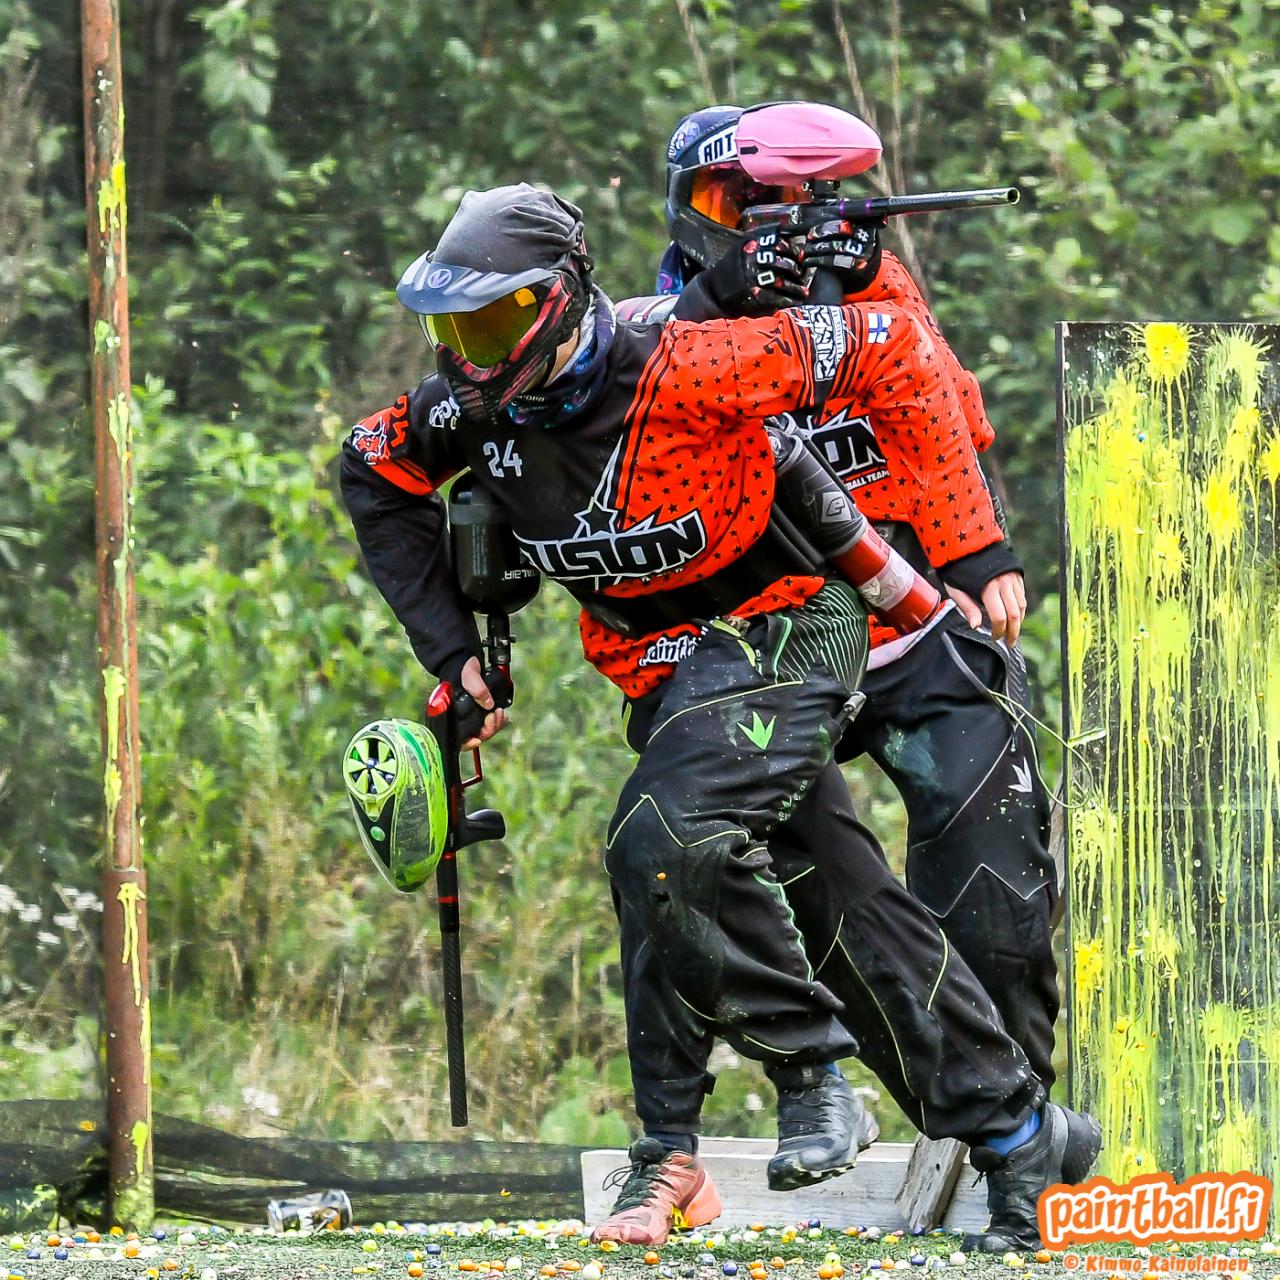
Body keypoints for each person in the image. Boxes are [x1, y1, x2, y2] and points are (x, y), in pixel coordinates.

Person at [339, 183, 1095, 1254]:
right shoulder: (467, 411)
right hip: (671, 666)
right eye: (452, 329)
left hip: (790, 621)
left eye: (495, 321)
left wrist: (971, 543)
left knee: (659, 832)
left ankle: (805, 1076)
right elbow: (371, 467)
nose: (471, 354)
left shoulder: (692, 361)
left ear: (562, 299)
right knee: (831, 894)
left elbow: (897, 346)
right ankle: (1015, 1129)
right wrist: (454, 650)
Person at [606, 104, 1070, 1249]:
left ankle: (1020, 1150)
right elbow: (623, 415)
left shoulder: (866, 294)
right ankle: (907, 1109)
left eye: (781, 205)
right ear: (684, 208)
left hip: (910, 631)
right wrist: (726, 298)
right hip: (764, 656)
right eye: (728, 203)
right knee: (826, 902)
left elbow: (948, 401)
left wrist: (869, 283)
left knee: (993, 898)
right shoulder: (650, 323)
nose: (758, 224)